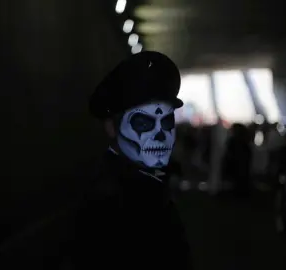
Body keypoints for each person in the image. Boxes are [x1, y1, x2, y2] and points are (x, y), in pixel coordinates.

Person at [63, 51, 192, 269]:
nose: (161, 134)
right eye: (143, 123)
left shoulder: (146, 185)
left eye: (167, 122)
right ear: (112, 127)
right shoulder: (109, 207)